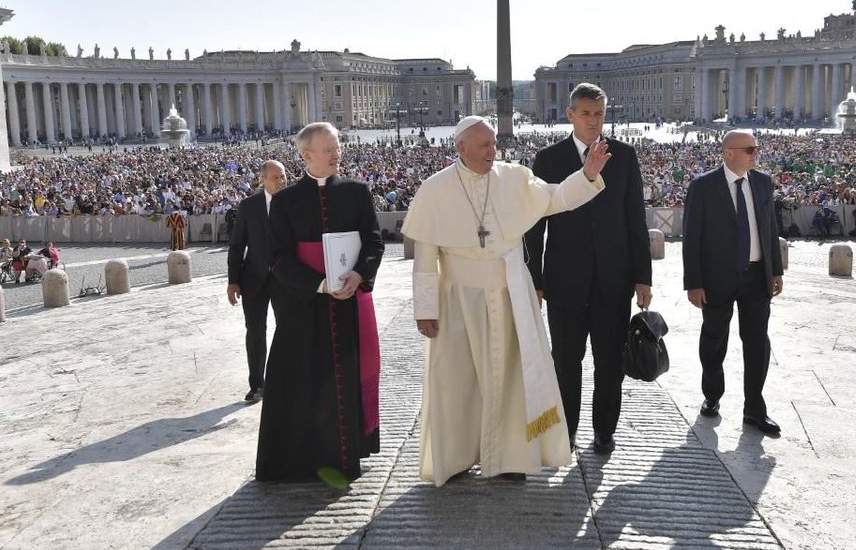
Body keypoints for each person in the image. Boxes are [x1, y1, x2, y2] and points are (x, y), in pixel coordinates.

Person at [404, 116, 610, 486]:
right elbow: (424, 257)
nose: (492, 151)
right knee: (457, 381)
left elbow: (556, 198)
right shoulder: (434, 190)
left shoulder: (514, 177)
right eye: (483, 145)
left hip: (511, 294)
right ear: (461, 148)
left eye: (493, 144)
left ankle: (512, 458)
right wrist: (425, 309)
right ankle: (456, 457)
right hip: (459, 302)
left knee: (515, 378)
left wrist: (587, 175)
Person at [525, 83, 652, 455]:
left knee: (609, 363)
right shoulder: (548, 159)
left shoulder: (625, 156)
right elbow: (535, 225)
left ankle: (604, 431)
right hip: (564, 281)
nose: (593, 121)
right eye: (585, 114)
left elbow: (635, 219)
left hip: (614, 279)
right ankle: (566, 431)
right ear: (570, 114)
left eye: (599, 113)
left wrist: (643, 275)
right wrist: (535, 279)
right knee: (565, 362)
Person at [255, 123, 384, 482]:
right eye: (327, 148)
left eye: (337, 146)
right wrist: (320, 284)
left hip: (349, 301)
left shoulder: (357, 192)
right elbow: (277, 257)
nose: (336, 153)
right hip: (304, 304)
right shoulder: (284, 200)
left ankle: (345, 456)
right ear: (306, 154)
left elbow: (374, 243)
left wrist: (359, 275)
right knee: (300, 381)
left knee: (344, 379)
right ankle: (299, 460)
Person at [682, 130, 784, 437]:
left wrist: (775, 271)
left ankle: (755, 408)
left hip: (756, 276)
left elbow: (769, 228)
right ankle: (712, 394)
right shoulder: (703, 186)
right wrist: (694, 282)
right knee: (714, 339)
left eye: (756, 148)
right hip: (716, 278)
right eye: (750, 149)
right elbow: (692, 236)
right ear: (729, 153)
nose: (755, 153)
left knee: (757, 342)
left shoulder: (763, 182)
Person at [228, 160, 289, 404]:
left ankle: (286, 381)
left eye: (283, 176)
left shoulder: (293, 203)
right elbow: (237, 244)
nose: (280, 180)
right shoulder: (248, 206)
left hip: (286, 280)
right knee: (255, 333)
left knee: (287, 330)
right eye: (275, 177)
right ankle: (257, 385)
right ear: (262, 179)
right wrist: (233, 281)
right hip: (253, 280)